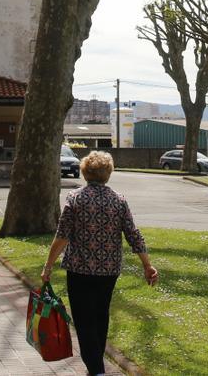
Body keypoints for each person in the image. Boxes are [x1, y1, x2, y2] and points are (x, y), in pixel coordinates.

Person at [42, 151, 158, 375]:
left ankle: (96, 369)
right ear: (108, 173)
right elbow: (133, 234)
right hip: (109, 270)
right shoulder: (119, 200)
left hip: (80, 269)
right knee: (100, 315)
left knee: (84, 320)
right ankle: (96, 366)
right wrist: (147, 264)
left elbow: (62, 236)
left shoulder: (75, 198)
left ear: (85, 172)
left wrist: (48, 266)